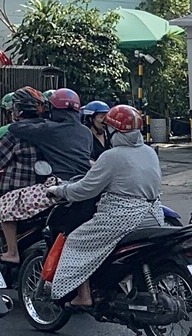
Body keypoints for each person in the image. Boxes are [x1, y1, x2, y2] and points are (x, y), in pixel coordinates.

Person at [49, 104, 165, 308]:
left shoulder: (112, 156)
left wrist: (60, 191)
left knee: (76, 241)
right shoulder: (149, 152)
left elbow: (85, 189)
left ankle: (83, 297)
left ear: (114, 131)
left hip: (123, 217)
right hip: (154, 215)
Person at [0, 88, 57, 265]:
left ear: (18, 110)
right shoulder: (52, 131)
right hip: (48, 196)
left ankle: (4, 253)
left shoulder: (15, 134)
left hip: (16, 197)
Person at [37, 88, 95, 180]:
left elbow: (17, 128)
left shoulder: (47, 129)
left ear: (53, 109)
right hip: (83, 181)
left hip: (58, 180)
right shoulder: (87, 132)